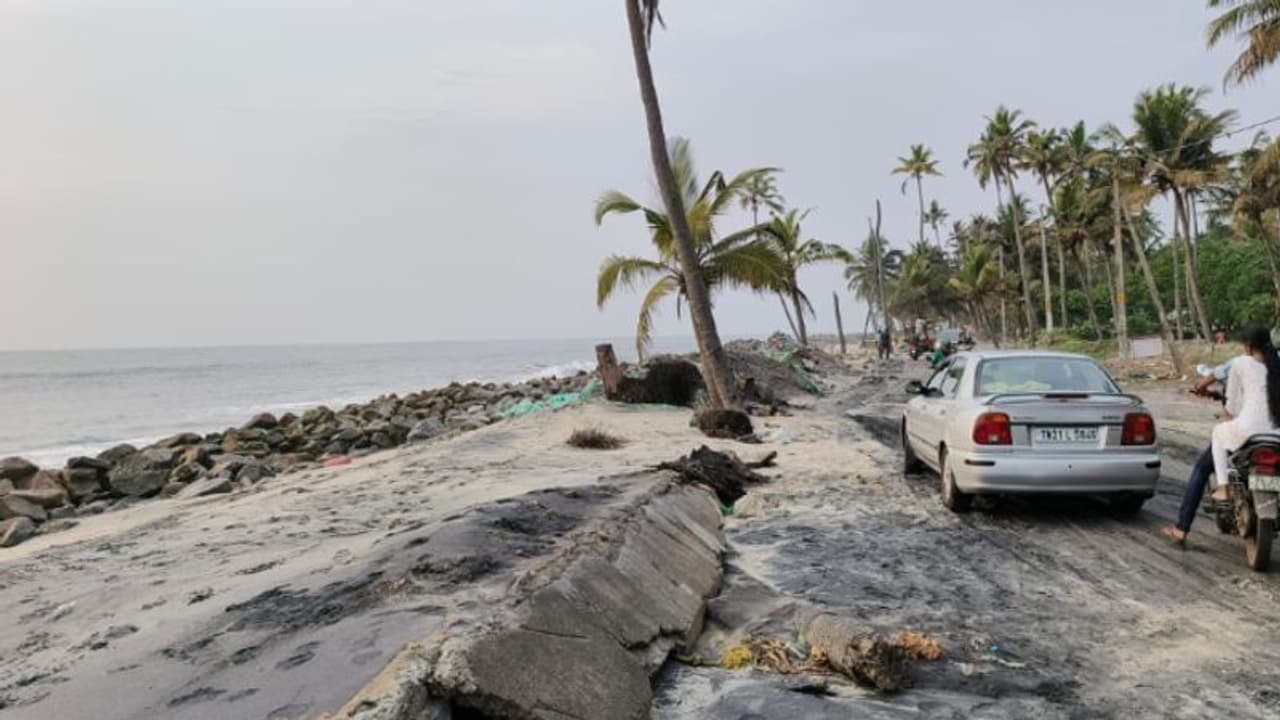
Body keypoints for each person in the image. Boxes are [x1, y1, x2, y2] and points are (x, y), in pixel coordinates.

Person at [1162, 327, 1280, 544]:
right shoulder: (1276, 362)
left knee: (1206, 458)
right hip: (1276, 434)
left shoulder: (1240, 363)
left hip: (1249, 431)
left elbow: (1233, 405)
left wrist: (1227, 416)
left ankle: (1218, 492)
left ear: (1248, 347)